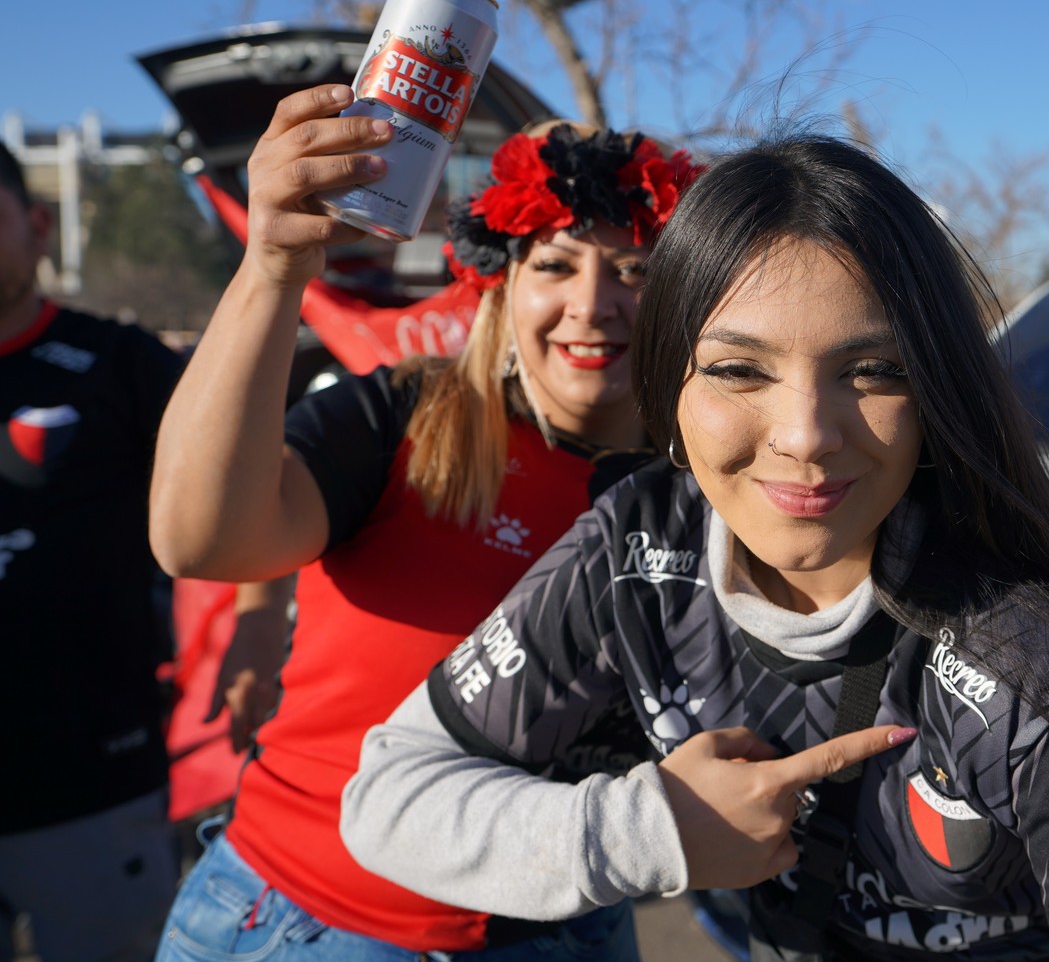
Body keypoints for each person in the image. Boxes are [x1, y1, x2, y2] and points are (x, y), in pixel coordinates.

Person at [341, 133, 1049, 961]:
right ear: (668, 382)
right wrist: (650, 831)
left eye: (873, 370)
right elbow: (387, 794)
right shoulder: (639, 544)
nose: (806, 435)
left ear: (937, 391)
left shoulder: (1024, 656)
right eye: (739, 369)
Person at [146, 83, 702, 960]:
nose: (594, 304)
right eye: (554, 264)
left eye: (635, 270)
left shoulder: (713, 487)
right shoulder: (407, 416)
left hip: (569, 932)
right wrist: (272, 269)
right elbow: (198, 537)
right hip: (304, 924)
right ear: (501, 289)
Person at [0, 142, 183, 958]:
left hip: (94, 783)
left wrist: (254, 622)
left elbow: (256, 475)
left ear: (38, 225)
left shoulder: (123, 362)